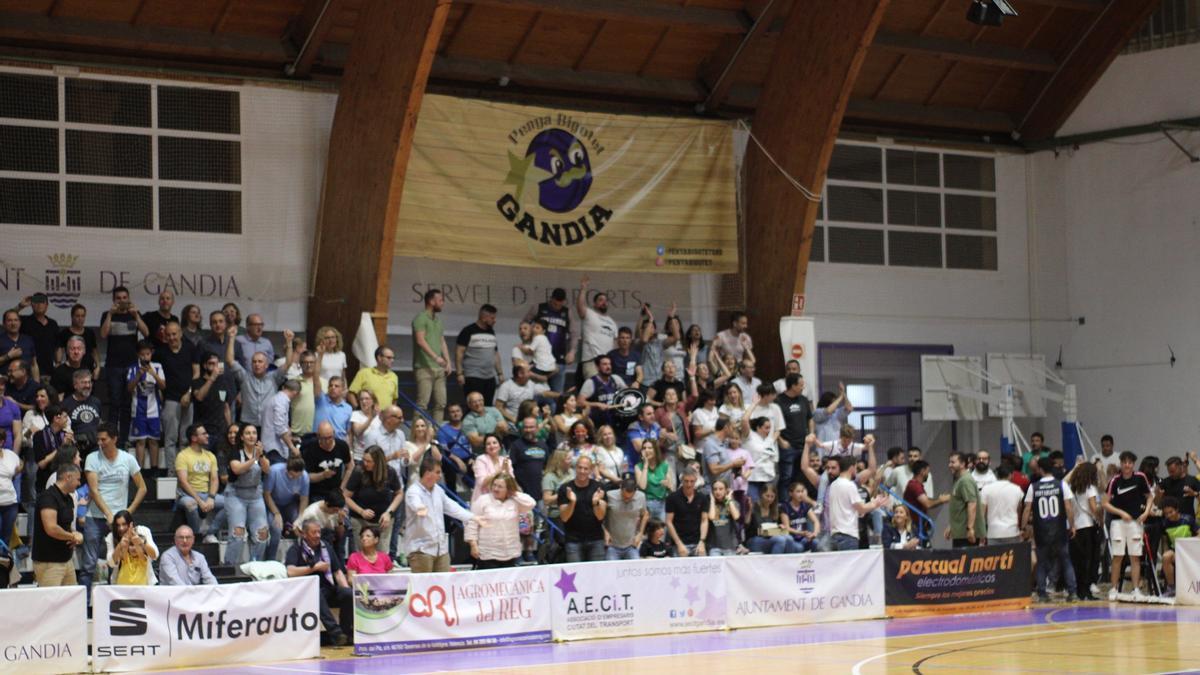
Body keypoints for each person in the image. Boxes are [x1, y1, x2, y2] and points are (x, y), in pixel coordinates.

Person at [82, 422, 147, 591]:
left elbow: (142, 488)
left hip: (120, 521)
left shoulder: (127, 459)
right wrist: (108, 514)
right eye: (98, 439)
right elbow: (94, 491)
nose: (100, 443)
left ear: (114, 439)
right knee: (89, 564)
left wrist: (128, 512)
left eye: (104, 439)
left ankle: (113, 603)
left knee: (118, 562)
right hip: (95, 516)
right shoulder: (92, 458)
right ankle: (83, 606)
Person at [286, 519, 353, 647]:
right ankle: (336, 633)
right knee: (315, 592)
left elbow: (337, 572)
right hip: (307, 592)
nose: (317, 535)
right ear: (304, 534)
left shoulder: (326, 546)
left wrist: (346, 590)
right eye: (313, 532)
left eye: (319, 532)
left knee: (348, 594)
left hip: (329, 588)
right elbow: (290, 571)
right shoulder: (296, 549)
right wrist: (314, 567)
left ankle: (346, 633)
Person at [405, 454, 477, 573]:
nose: (440, 476)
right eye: (437, 472)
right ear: (428, 473)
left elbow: (453, 507)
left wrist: (473, 517)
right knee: (423, 588)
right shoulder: (413, 491)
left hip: (441, 549)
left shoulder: (438, 490)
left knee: (444, 586)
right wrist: (420, 509)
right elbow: (416, 504)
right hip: (421, 550)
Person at [1022, 456, 1077, 603]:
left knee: (1041, 562)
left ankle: (1042, 594)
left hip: (1041, 531)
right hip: (1059, 529)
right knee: (1066, 561)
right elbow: (1068, 507)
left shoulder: (1033, 487)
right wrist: (1072, 525)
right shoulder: (1061, 485)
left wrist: (1023, 527)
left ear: (1040, 469)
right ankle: (1072, 592)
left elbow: (1027, 509)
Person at [100, 286, 150, 443]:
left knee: (127, 403)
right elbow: (103, 334)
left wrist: (136, 316)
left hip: (131, 365)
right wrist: (110, 314)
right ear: (114, 300)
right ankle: (112, 437)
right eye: (118, 298)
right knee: (114, 402)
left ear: (128, 298)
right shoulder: (107, 315)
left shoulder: (134, 314)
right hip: (113, 365)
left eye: (124, 297)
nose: (122, 301)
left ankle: (124, 440)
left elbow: (146, 333)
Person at [1103, 450, 1154, 600]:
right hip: (1117, 523)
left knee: (1135, 556)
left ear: (1133, 464)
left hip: (1135, 523)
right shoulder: (1114, 481)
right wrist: (1121, 513)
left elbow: (1150, 496)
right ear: (1121, 463)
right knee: (1118, 556)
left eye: (1130, 462)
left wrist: (1146, 513)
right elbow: (1105, 503)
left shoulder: (1140, 477)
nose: (1127, 465)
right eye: (1124, 462)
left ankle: (1136, 589)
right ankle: (1113, 589)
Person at [223, 424, 271, 565]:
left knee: (262, 534)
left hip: (255, 496)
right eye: (248, 433)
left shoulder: (261, 452)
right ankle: (229, 567)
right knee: (238, 533)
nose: (251, 436)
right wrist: (253, 459)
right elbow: (237, 469)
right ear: (242, 437)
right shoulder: (235, 452)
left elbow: (267, 469)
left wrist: (260, 456)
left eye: (254, 433)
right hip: (236, 495)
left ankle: (254, 566)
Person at [466, 471, 535, 569]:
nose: (495, 489)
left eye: (500, 487)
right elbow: (472, 523)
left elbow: (531, 503)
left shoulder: (515, 501)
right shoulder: (483, 500)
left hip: (511, 553)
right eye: (494, 485)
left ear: (508, 489)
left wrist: (514, 493)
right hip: (488, 553)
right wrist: (473, 545)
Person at [155, 322, 199, 476]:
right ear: (165, 336)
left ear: (180, 333)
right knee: (170, 439)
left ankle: (184, 472)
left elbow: (196, 373)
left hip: (188, 398)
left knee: (186, 439)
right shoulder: (160, 353)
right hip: (170, 400)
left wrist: (189, 392)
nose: (172, 337)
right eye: (169, 334)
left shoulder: (190, 349)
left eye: (174, 334)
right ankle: (172, 473)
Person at [343, 446, 403, 555]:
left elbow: (399, 494)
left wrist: (389, 513)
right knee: (361, 556)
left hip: (382, 522)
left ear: (378, 462)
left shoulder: (390, 472)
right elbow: (346, 496)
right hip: (360, 520)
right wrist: (361, 511)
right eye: (364, 460)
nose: (365, 463)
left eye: (369, 461)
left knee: (382, 555)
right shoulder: (358, 471)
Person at [33, 462, 83, 587]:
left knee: (72, 602)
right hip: (49, 562)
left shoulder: (69, 498)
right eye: (77, 479)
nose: (79, 483)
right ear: (68, 477)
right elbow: (51, 528)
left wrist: (76, 536)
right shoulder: (48, 497)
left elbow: (68, 527)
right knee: (50, 604)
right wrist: (72, 537)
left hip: (66, 560)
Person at [176, 424, 224, 543]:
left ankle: (209, 533)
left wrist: (211, 498)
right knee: (191, 504)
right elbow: (183, 482)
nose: (207, 435)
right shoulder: (183, 455)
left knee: (230, 503)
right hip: (186, 495)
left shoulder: (210, 455)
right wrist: (199, 501)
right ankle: (196, 536)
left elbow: (214, 479)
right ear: (194, 438)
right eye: (203, 434)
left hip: (206, 493)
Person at [829, 455, 888, 551]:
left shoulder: (833, 485)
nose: (856, 471)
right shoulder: (850, 485)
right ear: (852, 468)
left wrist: (871, 504)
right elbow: (861, 508)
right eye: (856, 468)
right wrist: (875, 504)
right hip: (848, 535)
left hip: (834, 535)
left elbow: (856, 509)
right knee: (849, 566)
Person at [125, 340, 165, 475]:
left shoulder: (158, 367)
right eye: (142, 355)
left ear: (151, 354)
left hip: (154, 410)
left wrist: (153, 374)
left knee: (154, 441)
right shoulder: (133, 368)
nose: (145, 357)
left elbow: (163, 386)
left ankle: (155, 469)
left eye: (147, 354)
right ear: (138, 354)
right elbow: (129, 389)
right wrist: (138, 375)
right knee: (140, 441)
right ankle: (139, 470)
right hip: (138, 410)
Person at [558, 455, 607, 561]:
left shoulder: (599, 487)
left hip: (596, 539)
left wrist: (595, 503)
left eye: (586, 468)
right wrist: (572, 502)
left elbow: (600, 516)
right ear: (575, 468)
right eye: (579, 467)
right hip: (573, 540)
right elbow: (564, 518)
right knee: (575, 575)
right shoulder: (565, 489)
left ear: (591, 470)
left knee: (597, 573)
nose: (582, 471)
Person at [525, 288, 575, 393]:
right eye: (555, 303)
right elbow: (524, 324)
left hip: (558, 360)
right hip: (539, 361)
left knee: (557, 394)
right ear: (551, 299)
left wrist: (572, 351)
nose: (558, 306)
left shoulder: (567, 312)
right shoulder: (538, 308)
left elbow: (574, 333)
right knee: (536, 393)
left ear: (564, 301)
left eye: (560, 304)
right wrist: (528, 340)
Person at [412, 288, 451, 423]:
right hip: (424, 367)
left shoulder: (438, 320)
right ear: (431, 301)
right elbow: (420, 340)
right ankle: (416, 436)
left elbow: (441, 341)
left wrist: (448, 361)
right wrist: (436, 357)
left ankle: (436, 436)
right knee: (422, 404)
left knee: (441, 404)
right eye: (440, 300)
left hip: (439, 369)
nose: (442, 303)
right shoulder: (420, 318)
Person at [1066, 460, 1102, 600]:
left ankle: (1079, 590)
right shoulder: (1090, 488)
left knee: (1078, 561)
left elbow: (1063, 481)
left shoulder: (1072, 487)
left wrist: (1074, 468)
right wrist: (1101, 510)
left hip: (1076, 526)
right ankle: (1087, 591)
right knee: (1089, 560)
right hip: (1088, 526)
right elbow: (1093, 508)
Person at [264, 456, 310, 561]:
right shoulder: (274, 471)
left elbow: (304, 499)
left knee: (301, 526)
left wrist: (300, 518)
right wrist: (276, 512)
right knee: (276, 528)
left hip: (289, 503)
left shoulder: (305, 477)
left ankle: (302, 557)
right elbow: (266, 494)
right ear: (286, 469)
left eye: (297, 477)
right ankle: (271, 559)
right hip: (272, 502)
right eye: (292, 476)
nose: (294, 479)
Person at [456, 304, 503, 404]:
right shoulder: (468, 331)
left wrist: (500, 373)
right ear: (484, 317)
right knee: (473, 406)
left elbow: (495, 353)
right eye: (492, 318)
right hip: (473, 376)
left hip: (490, 377)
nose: (495, 320)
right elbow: (459, 352)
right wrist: (460, 373)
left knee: (488, 406)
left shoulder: (491, 332)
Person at [775, 373, 812, 493]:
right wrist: (780, 440)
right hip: (787, 446)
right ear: (793, 386)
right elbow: (773, 424)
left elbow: (810, 419)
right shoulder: (778, 401)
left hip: (803, 445)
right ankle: (784, 505)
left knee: (801, 478)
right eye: (801, 385)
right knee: (786, 477)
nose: (803, 387)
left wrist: (811, 434)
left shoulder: (804, 400)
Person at [190, 353, 234, 452]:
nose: (215, 367)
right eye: (211, 364)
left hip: (220, 432)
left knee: (220, 463)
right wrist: (212, 378)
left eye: (217, 364)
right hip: (203, 432)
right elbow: (199, 397)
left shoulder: (223, 383)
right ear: (205, 365)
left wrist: (230, 428)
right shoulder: (197, 382)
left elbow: (226, 408)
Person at [575, 276, 617, 379]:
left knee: (606, 392)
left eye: (606, 301)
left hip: (607, 363)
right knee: (595, 389)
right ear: (594, 303)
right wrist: (583, 289)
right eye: (600, 300)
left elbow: (615, 343)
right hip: (592, 361)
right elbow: (580, 306)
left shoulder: (612, 322)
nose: (604, 302)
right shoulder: (589, 313)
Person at [104, 510, 159, 585]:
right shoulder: (111, 536)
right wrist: (120, 545)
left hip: (145, 584)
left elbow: (155, 555)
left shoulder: (143, 531)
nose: (121, 528)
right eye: (118, 525)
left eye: (124, 524)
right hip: (121, 584)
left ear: (131, 524)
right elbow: (111, 563)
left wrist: (141, 542)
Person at [666, 466, 710, 557]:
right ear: (682, 480)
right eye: (686, 481)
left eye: (692, 481)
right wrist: (679, 544)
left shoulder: (702, 498)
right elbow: (669, 522)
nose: (689, 484)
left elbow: (704, 520)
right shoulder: (672, 498)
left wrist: (702, 542)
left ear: (696, 480)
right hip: (679, 543)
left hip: (697, 542)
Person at [946, 452, 986, 548]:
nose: (949, 465)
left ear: (963, 464)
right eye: (949, 462)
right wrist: (951, 525)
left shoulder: (965, 481)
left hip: (966, 535)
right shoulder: (960, 480)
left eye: (953, 462)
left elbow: (972, 504)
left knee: (967, 562)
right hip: (960, 533)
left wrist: (970, 529)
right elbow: (960, 507)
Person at [1160, 497, 1198, 598]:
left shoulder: (1188, 519)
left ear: (1177, 509)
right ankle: (1172, 588)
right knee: (1166, 557)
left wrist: (1188, 542)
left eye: (1171, 512)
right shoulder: (1165, 524)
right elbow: (1165, 541)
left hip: (1191, 551)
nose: (1168, 515)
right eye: (1166, 513)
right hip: (1176, 551)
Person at [14, 293, 58, 377]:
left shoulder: (53, 324)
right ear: (31, 305)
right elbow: (9, 317)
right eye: (36, 302)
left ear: (47, 305)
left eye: (42, 302)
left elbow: (57, 347)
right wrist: (20, 306)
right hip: (28, 372)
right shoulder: (24, 321)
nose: (39, 304)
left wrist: (58, 363)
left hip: (49, 372)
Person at [605, 473, 648, 559]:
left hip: (631, 545)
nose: (626, 500)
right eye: (624, 497)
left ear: (635, 492)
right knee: (611, 571)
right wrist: (605, 532)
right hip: (612, 544)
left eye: (629, 498)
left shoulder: (641, 496)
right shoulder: (609, 495)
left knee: (636, 570)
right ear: (620, 488)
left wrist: (640, 533)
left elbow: (645, 514)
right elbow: (600, 516)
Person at [745, 484, 797, 554]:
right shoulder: (754, 507)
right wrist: (749, 511)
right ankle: (774, 563)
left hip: (770, 536)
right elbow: (747, 525)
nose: (769, 499)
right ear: (761, 494)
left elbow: (782, 530)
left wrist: (780, 528)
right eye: (767, 496)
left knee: (789, 539)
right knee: (780, 540)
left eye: (772, 496)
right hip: (754, 538)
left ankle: (788, 563)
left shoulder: (776, 509)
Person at [980, 464, 1025, 545]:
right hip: (1012, 531)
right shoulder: (1017, 489)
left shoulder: (986, 489)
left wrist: (982, 533)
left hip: (993, 532)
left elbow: (981, 513)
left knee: (994, 557)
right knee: (1012, 557)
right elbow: (1019, 510)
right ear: (1011, 475)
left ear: (997, 475)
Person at [262, 380, 302, 463]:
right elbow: (280, 428)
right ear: (295, 393)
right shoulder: (281, 402)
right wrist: (292, 447)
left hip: (272, 446)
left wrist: (291, 438)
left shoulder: (275, 399)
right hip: (274, 449)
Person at [509, 416, 550, 499]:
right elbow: (509, 470)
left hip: (540, 493)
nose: (528, 430)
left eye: (531, 427)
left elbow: (547, 468)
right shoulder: (516, 445)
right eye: (526, 427)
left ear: (537, 428)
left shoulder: (543, 445)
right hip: (521, 493)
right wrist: (516, 487)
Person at [348, 346, 398, 410]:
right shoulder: (364, 373)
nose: (392, 360)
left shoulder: (394, 376)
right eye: (389, 358)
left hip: (385, 417)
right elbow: (350, 394)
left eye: (393, 358)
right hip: (368, 415)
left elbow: (394, 399)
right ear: (379, 358)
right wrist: (358, 409)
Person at [744, 416, 778, 503]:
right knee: (753, 504)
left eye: (770, 428)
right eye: (766, 428)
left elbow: (778, 431)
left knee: (768, 504)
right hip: (753, 478)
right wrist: (754, 404)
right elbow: (745, 420)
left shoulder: (769, 440)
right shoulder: (749, 437)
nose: (768, 430)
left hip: (768, 478)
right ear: (758, 428)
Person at [0, 309, 39, 382]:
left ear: (20, 323)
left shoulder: (28, 340)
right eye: (9, 320)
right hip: (5, 383)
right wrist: (8, 356)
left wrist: (37, 385)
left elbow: (34, 365)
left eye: (16, 320)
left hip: (26, 384)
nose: (13, 323)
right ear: (4, 323)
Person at [706, 479, 742, 556]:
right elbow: (711, 517)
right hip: (714, 546)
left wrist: (729, 499)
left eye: (721, 489)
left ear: (726, 490)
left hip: (730, 546)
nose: (717, 492)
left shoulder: (733, 503)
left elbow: (736, 516)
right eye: (715, 489)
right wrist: (712, 500)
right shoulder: (709, 503)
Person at [781, 482, 819, 551]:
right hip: (792, 539)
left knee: (816, 542)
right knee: (799, 548)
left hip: (803, 538)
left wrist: (814, 533)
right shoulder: (785, 507)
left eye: (802, 491)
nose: (801, 494)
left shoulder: (805, 506)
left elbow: (815, 521)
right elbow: (786, 527)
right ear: (790, 493)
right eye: (798, 492)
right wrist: (801, 533)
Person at [0, 435, 22, 552]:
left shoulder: (10, 455)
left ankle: (3, 567)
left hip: (10, 502)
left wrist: (17, 471)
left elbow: (20, 464)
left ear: (1, 442)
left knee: (6, 538)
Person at [349, 389, 379, 463]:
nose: (364, 401)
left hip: (376, 458)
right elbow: (357, 432)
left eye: (367, 399)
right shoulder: (356, 414)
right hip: (360, 458)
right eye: (361, 399)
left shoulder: (379, 416)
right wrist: (371, 418)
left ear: (373, 401)